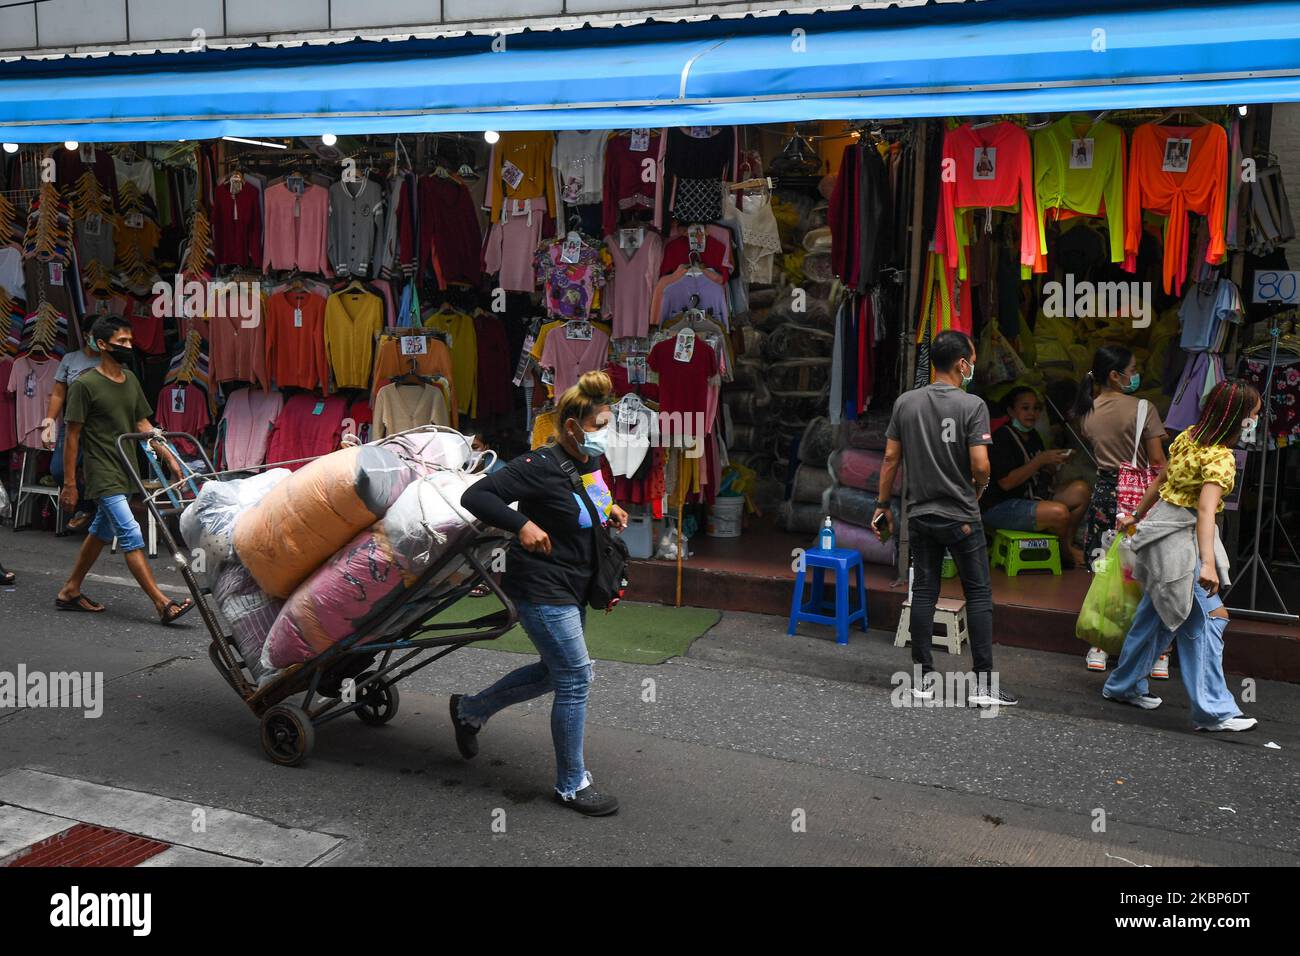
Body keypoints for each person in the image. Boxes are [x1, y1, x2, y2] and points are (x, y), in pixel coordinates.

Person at [451, 370, 629, 815]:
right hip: (540, 586)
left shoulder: (587, 460)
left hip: (573, 582)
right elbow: (477, 496)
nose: (604, 437)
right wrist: (523, 524)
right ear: (571, 428)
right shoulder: (536, 466)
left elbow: (591, 498)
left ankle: (470, 709)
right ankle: (572, 784)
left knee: (556, 673)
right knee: (574, 677)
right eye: (598, 427)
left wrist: (612, 508)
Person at [1102, 381, 1261, 733]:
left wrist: (1136, 515)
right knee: (1208, 618)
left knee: (1154, 613)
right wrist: (1207, 563)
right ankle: (1214, 709)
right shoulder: (1220, 457)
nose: (1256, 419)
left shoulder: (1189, 436)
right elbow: (1205, 512)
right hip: (1180, 539)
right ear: (1237, 418)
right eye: (1253, 414)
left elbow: (1162, 479)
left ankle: (1124, 685)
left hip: (1159, 530)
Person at [873, 330, 1017, 707]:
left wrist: (883, 504)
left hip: (921, 514)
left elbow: (890, 459)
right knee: (979, 595)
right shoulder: (973, 406)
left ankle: (921, 679)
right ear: (961, 364)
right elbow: (981, 464)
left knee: (924, 592)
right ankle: (984, 685)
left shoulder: (905, 402)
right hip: (962, 515)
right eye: (971, 358)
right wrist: (979, 489)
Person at [54, 315, 195, 624]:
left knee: (101, 531)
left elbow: (143, 424)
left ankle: (70, 589)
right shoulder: (84, 385)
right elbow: (72, 436)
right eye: (121, 342)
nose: (129, 346)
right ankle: (162, 603)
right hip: (101, 470)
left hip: (126, 468)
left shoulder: (130, 379)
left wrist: (170, 458)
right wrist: (69, 483)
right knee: (131, 533)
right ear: (102, 344)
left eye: (130, 341)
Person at [1073, 345, 1168, 672]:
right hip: (1140, 500)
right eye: (1133, 367)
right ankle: (1157, 655)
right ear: (1115, 375)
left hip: (1104, 495)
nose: (1136, 373)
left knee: (1105, 571)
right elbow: (1157, 462)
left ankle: (1100, 646)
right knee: (1146, 571)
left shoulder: (1087, 411)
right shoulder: (1144, 409)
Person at [982, 386, 1092, 567]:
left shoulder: (1033, 435)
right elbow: (1006, 483)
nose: (1031, 413)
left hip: (1029, 496)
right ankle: (1066, 554)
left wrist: (1053, 464)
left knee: (1081, 490)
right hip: (1000, 506)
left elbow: (1039, 473)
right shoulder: (1002, 437)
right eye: (1025, 408)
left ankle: (1067, 544)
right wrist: (1040, 461)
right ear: (1011, 411)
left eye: (1036, 408)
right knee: (1059, 513)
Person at [42, 337, 105, 532]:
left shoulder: (111, 359)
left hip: (100, 428)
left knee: (99, 472)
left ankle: (101, 517)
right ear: (87, 335)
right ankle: (86, 507)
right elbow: (59, 393)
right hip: (72, 424)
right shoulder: (70, 359)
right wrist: (49, 423)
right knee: (59, 469)